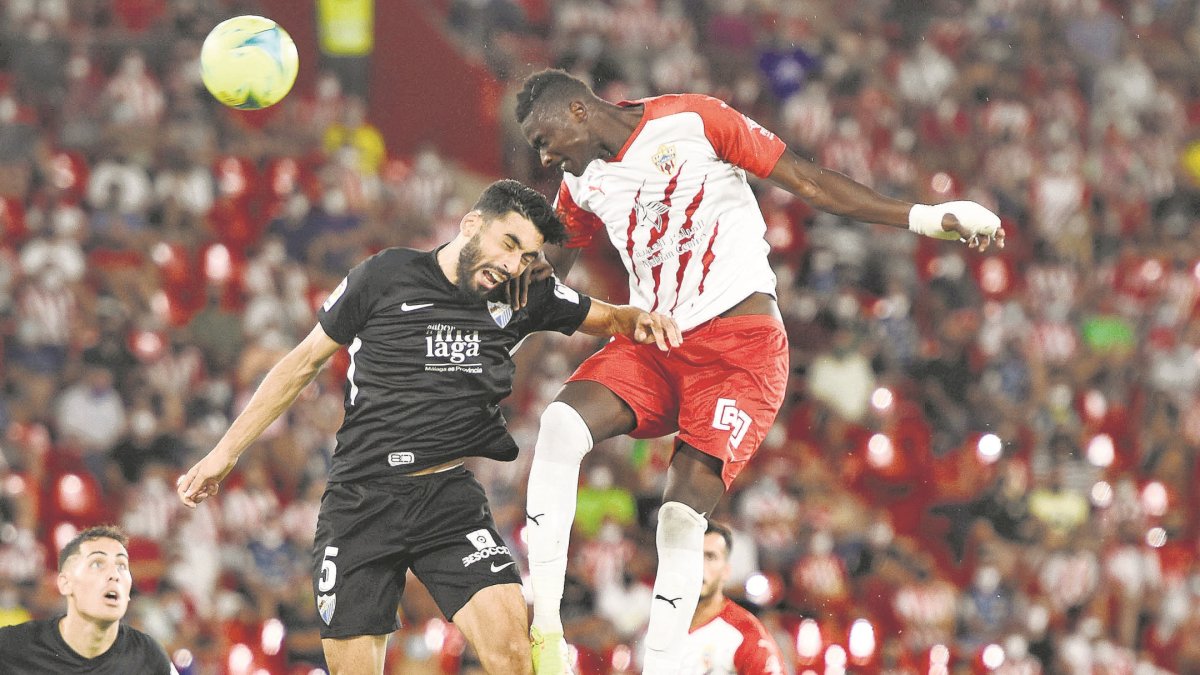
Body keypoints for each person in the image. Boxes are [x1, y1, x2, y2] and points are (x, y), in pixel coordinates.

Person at [512, 68, 1005, 674]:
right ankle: (547, 634)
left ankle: (660, 667)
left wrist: (925, 217)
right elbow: (546, 280)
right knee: (559, 426)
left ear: (579, 111)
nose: (542, 153)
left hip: (740, 350)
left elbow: (809, 180)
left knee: (678, 514)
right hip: (655, 342)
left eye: (543, 136)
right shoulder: (579, 182)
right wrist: (503, 323)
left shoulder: (694, 120)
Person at [175, 179, 681, 675]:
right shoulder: (384, 275)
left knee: (511, 658)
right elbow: (303, 362)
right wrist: (225, 453)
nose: (511, 265)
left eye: (526, 256)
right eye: (508, 244)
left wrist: (660, 323)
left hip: (446, 500)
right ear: (470, 224)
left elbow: (616, 319)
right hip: (360, 502)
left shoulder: (525, 295)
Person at [0, 525, 175, 674]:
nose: (114, 575)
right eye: (97, 564)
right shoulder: (15, 647)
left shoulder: (147, 656)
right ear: (65, 583)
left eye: (122, 565)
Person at [679, 522, 783, 675]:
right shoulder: (659, 626)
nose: (700, 566)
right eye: (693, 555)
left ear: (726, 570)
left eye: (710, 557)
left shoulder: (746, 635)